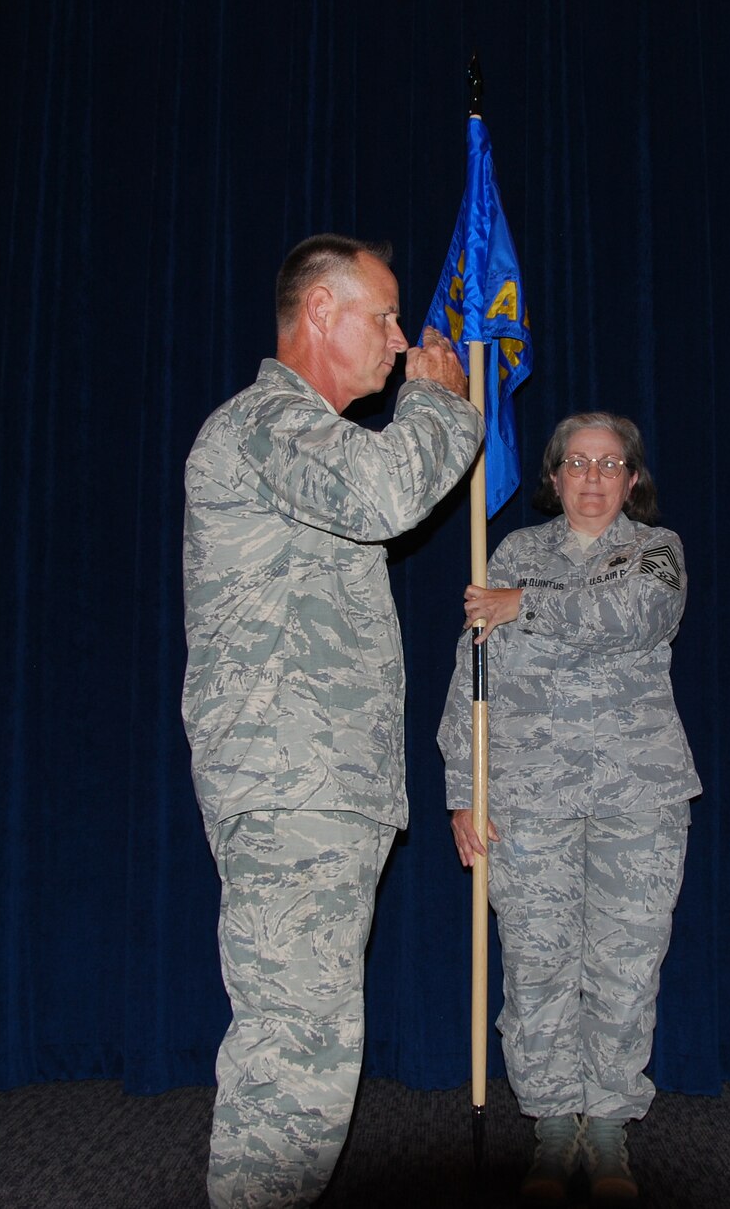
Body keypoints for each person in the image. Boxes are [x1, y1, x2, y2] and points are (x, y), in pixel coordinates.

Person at [181, 233, 480, 1209]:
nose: (398, 342)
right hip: (290, 788)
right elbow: (389, 493)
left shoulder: (304, 435)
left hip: (318, 788)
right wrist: (441, 402)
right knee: (293, 1070)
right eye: (382, 316)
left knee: (306, 1058)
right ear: (318, 313)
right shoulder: (267, 424)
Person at [438, 412, 698, 1205]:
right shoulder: (510, 555)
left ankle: (610, 1125)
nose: (592, 477)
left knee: (624, 965)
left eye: (609, 463)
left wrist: (527, 605)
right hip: (527, 797)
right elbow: (469, 682)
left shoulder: (658, 551)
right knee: (538, 964)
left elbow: (634, 615)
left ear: (631, 478)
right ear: (551, 476)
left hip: (638, 795)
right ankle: (553, 1124)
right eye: (576, 462)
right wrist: (461, 788)